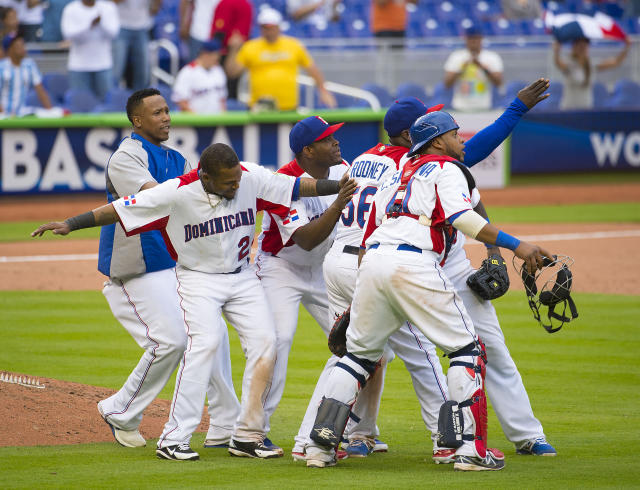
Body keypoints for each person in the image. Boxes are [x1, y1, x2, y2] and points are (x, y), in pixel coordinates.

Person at [31, 142, 352, 461]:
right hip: (199, 279)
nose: (236, 186)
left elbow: (297, 186)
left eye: (237, 180)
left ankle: (247, 435)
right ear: (206, 178)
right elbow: (121, 208)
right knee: (204, 345)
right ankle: (173, 439)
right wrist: (71, 223)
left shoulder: (248, 176)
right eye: (228, 183)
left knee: (267, 342)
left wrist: (339, 186)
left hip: (241, 277)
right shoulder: (176, 192)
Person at [320, 80, 558, 465]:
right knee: (448, 354)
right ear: (415, 135)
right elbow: (474, 161)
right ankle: (453, 443)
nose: (455, 136)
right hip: (416, 265)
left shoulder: (378, 160)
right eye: (442, 128)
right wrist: (515, 109)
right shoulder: (412, 165)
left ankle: (525, 434)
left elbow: (473, 205)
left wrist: (492, 252)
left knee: (472, 348)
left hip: (413, 262)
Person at [255, 115, 357, 455]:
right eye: (328, 139)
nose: (336, 143)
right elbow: (307, 240)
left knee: (359, 341)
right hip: (281, 267)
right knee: (278, 340)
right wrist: (340, 201)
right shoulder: (282, 182)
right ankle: (255, 430)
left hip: (325, 270)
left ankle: (348, 428)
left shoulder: (344, 166)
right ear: (308, 150)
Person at [225, 7, 336, 111]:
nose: (268, 31)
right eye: (264, 27)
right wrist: (234, 50)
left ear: (278, 27)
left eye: (271, 27)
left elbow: (312, 69)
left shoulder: (293, 45)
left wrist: (323, 90)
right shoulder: (250, 47)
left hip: (288, 107)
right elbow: (232, 73)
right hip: (259, 107)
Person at [61, 0, 120, 101]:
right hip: (79, 66)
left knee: (106, 104)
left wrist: (101, 24)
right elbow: (68, 34)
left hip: (103, 65)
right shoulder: (70, 9)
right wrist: (89, 26)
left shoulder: (109, 7)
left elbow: (114, 33)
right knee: (80, 105)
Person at [553, 38, 630, 109]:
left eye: (584, 46)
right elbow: (558, 63)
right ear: (574, 47)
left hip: (586, 108)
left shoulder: (592, 64)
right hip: (569, 109)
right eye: (580, 46)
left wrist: (626, 47)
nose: (582, 48)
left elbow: (615, 62)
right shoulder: (569, 63)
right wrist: (556, 52)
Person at [444, 24, 503, 111]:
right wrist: (461, 68)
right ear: (465, 39)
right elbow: (447, 84)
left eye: (476, 38)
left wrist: (483, 68)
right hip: (460, 106)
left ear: (481, 39)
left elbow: (498, 83)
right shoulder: (456, 56)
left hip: (483, 106)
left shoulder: (492, 57)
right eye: (470, 38)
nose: (473, 41)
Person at [111, 0, 160, 91]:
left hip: (142, 28)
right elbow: (110, 3)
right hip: (120, 26)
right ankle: (112, 101)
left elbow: (155, 9)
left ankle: (138, 102)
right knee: (116, 71)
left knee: (143, 73)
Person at [0, 33, 52, 115]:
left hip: (22, 113)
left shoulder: (30, 65)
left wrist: (50, 112)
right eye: (18, 46)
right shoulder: (1, 67)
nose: (23, 48)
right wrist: (3, 116)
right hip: (3, 114)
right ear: (10, 49)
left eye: (23, 45)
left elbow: (40, 91)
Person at [209, 0, 252, 100]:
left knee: (228, 91)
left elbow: (220, 31)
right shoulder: (243, 4)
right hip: (231, 50)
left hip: (229, 51)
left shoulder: (230, 3)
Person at [172, 38, 227, 113]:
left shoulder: (218, 70)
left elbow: (222, 100)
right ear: (206, 54)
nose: (219, 58)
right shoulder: (188, 71)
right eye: (216, 55)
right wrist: (197, 118)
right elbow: (180, 101)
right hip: (194, 121)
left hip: (215, 121)